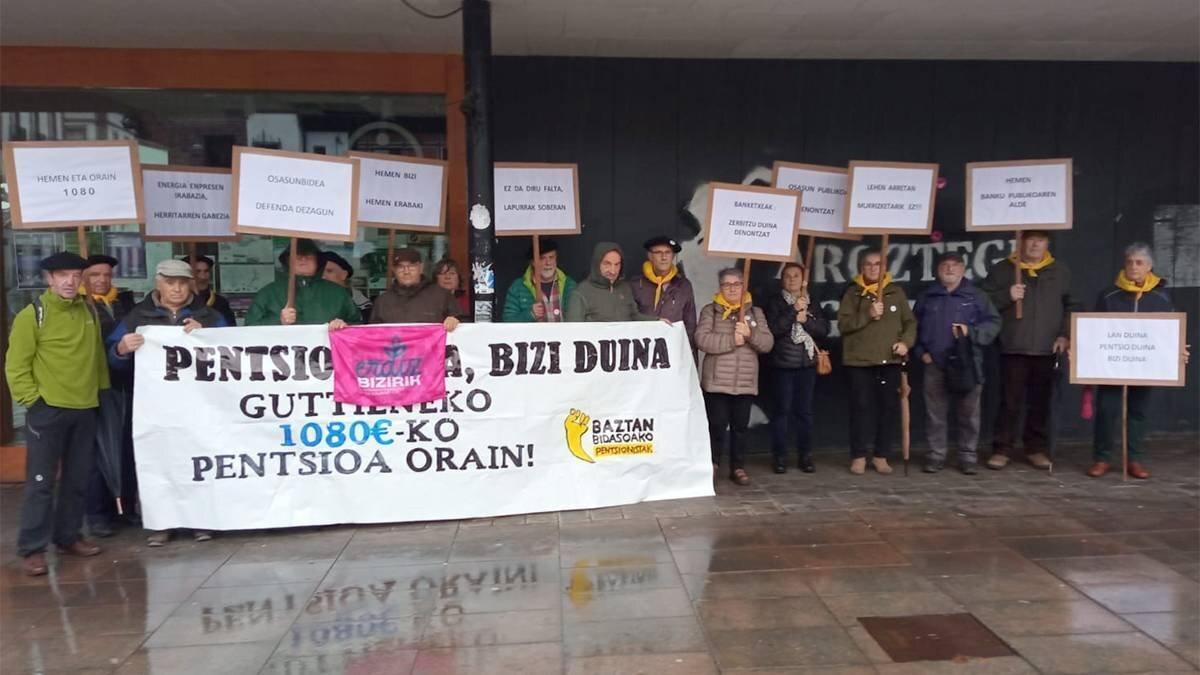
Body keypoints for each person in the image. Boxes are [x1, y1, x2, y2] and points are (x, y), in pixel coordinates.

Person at [108, 260, 227, 545]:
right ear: (158, 283)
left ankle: (201, 520)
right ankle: (162, 522)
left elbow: (231, 356)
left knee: (199, 461)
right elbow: (113, 359)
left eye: (183, 282)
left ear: (191, 284)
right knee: (158, 463)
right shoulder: (137, 316)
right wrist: (122, 349)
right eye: (170, 282)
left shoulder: (209, 316)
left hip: (199, 407)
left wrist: (208, 336)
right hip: (155, 408)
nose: (176, 288)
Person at [5, 252, 110, 576]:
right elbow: (16, 365)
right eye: (61, 275)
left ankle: (68, 536)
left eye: (75, 275)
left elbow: (96, 359)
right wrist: (33, 402)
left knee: (78, 478)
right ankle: (32, 548)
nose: (69, 281)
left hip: (85, 407)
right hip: (48, 410)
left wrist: (100, 394)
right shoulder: (31, 315)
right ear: (49, 279)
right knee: (41, 481)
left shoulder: (88, 310)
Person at [979, 230, 1079, 470]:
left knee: (1040, 403)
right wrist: (1007, 295)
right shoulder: (1003, 269)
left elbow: (1072, 305)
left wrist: (1065, 335)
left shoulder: (1060, 271)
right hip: (1012, 346)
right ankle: (1002, 448)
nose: (1035, 244)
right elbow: (981, 302)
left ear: (1047, 243)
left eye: (1041, 239)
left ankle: (1035, 448)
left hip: (1047, 347)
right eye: (1030, 239)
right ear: (1021, 241)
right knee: (1009, 402)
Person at [1088, 243, 1189, 479]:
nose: (1134, 267)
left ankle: (1134, 459)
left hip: (1145, 364)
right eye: (1130, 262)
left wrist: (1179, 351)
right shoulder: (1109, 295)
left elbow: (1170, 333)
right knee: (1106, 409)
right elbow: (1092, 329)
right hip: (1112, 363)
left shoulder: (1161, 297)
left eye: (1139, 262)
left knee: (1138, 411)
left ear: (1149, 267)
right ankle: (1102, 458)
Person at [913, 252, 1001, 475]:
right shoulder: (927, 297)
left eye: (955, 265)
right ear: (937, 270)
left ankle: (968, 456)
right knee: (935, 414)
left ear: (963, 269)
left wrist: (971, 332)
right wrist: (921, 352)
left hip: (968, 364)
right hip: (935, 363)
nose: (950, 269)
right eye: (945, 265)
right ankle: (936, 455)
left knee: (969, 413)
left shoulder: (977, 296)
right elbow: (912, 327)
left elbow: (994, 323)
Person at [837, 250, 916, 475]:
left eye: (877, 264)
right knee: (860, 409)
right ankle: (859, 455)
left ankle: (881, 455)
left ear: (885, 268)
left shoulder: (896, 292)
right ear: (862, 268)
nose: (873, 268)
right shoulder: (853, 293)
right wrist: (867, 314)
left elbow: (910, 323)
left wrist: (905, 343)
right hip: (859, 362)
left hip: (889, 361)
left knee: (887, 409)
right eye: (868, 265)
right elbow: (843, 325)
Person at [695, 267, 774, 485]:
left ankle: (738, 466)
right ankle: (712, 463)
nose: (731, 289)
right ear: (720, 287)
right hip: (717, 382)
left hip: (745, 382)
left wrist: (750, 335)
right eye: (726, 284)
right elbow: (702, 340)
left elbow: (767, 344)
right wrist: (732, 340)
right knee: (717, 425)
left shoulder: (755, 313)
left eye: (736, 284)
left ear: (743, 286)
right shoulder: (710, 311)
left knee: (740, 428)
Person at [80, 254, 137, 538]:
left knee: (125, 450)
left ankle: (123, 508)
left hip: (124, 386)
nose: (101, 280)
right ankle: (97, 514)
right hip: (92, 388)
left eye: (106, 275)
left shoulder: (124, 304)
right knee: (96, 455)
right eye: (94, 275)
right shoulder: (78, 306)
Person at [763, 262, 829, 474]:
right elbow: (774, 329)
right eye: (788, 276)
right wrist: (793, 311)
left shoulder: (812, 302)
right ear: (782, 280)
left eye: (796, 276)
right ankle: (780, 457)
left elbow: (824, 329)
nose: (792, 279)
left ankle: (805, 456)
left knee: (805, 413)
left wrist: (806, 320)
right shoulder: (775, 302)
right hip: (783, 365)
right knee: (781, 412)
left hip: (807, 365)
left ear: (803, 280)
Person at [245, 238, 361, 327]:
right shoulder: (268, 293)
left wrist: (344, 326)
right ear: (287, 261)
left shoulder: (338, 293)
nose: (303, 259)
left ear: (318, 262)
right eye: (298, 256)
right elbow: (248, 329)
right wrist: (278, 321)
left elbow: (359, 326)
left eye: (309, 256)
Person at [370, 248, 462, 330]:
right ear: (394, 270)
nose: (406, 271)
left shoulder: (442, 296)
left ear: (421, 268)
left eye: (411, 266)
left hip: (433, 349)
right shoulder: (382, 302)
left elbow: (465, 327)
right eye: (401, 267)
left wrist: (455, 321)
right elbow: (373, 335)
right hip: (397, 349)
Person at [566, 242, 657, 323]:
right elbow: (574, 331)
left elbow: (634, 316)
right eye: (607, 264)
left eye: (617, 264)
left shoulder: (624, 288)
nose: (613, 271)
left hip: (624, 341)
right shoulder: (580, 292)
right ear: (596, 264)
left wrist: (658, 322)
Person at [632, 236, 697, 344]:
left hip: (672, 349)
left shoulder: (684, 285)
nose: (664, 257)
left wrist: (688, 353)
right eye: (658, 252)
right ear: (650, 256)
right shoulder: (636, 284)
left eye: (668, 252)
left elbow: (690, 324)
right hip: (642, 348)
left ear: (673, 256)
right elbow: (628, 317)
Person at [503, 239, 574, 322]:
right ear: (532, 262)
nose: (548, 263)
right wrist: (530, 315)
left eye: (551, 257)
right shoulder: (518, 287)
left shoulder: (569, 285)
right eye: (542, 258)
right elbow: (508, 321)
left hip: (564, 335)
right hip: (533, 335)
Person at [181, 254, 237, 327]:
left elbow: (230, 329)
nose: (203, 277)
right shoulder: (179, 301)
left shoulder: (220, 302)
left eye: (206, 271)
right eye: (197, 272)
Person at [321, 250, 372, 322]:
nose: (323, 276)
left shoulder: (362, 304)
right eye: (319, 272)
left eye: (329, 271)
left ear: (344, 274)